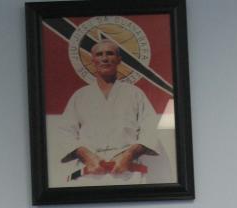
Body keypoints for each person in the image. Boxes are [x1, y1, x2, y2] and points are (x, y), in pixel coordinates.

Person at [58, 40, 161, 185]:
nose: (105, 58)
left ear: (119, 59)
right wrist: (86, 156)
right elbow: (65, 132)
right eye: (99, 54)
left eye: (110, 54)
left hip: (128, 172)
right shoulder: (80, 96)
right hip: (90, 172)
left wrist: (129, 155)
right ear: (93, 60)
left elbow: (150, 129)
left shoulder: (134, 93)